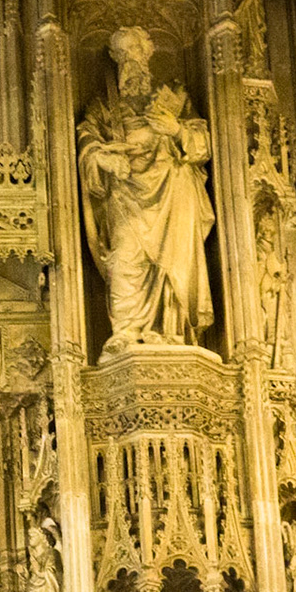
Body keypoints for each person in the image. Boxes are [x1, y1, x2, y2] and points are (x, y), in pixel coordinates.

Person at [77, 26, 216, 354]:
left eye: (135, 52)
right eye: (122, 55)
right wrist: (103, 159)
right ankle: (127, 329)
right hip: (126, 195)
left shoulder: (174, 97)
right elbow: (86, 140)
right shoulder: (104, 106)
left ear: (147, 54)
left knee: (172, 264)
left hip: (173, 193)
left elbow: (203, 144)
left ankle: (172, 332)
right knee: (125, 257)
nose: (130, 62)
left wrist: (177, 129)